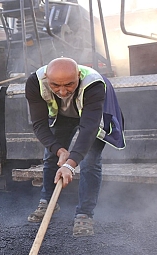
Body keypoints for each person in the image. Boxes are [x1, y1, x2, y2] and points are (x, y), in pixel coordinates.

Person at [25, 57, 124, 237]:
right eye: (55, 86)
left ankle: (84, 214)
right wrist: (60, 150)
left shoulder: (95, 85)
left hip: (90, 116)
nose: (62, 92)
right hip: (64, 115)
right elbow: (39, 124)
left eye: (69, 85)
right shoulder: (34, 82)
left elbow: (88, 129)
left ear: (78, 75)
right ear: (47, 78)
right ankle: (48, 202)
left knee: (90, 161)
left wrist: (70, 164)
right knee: (50, 155)